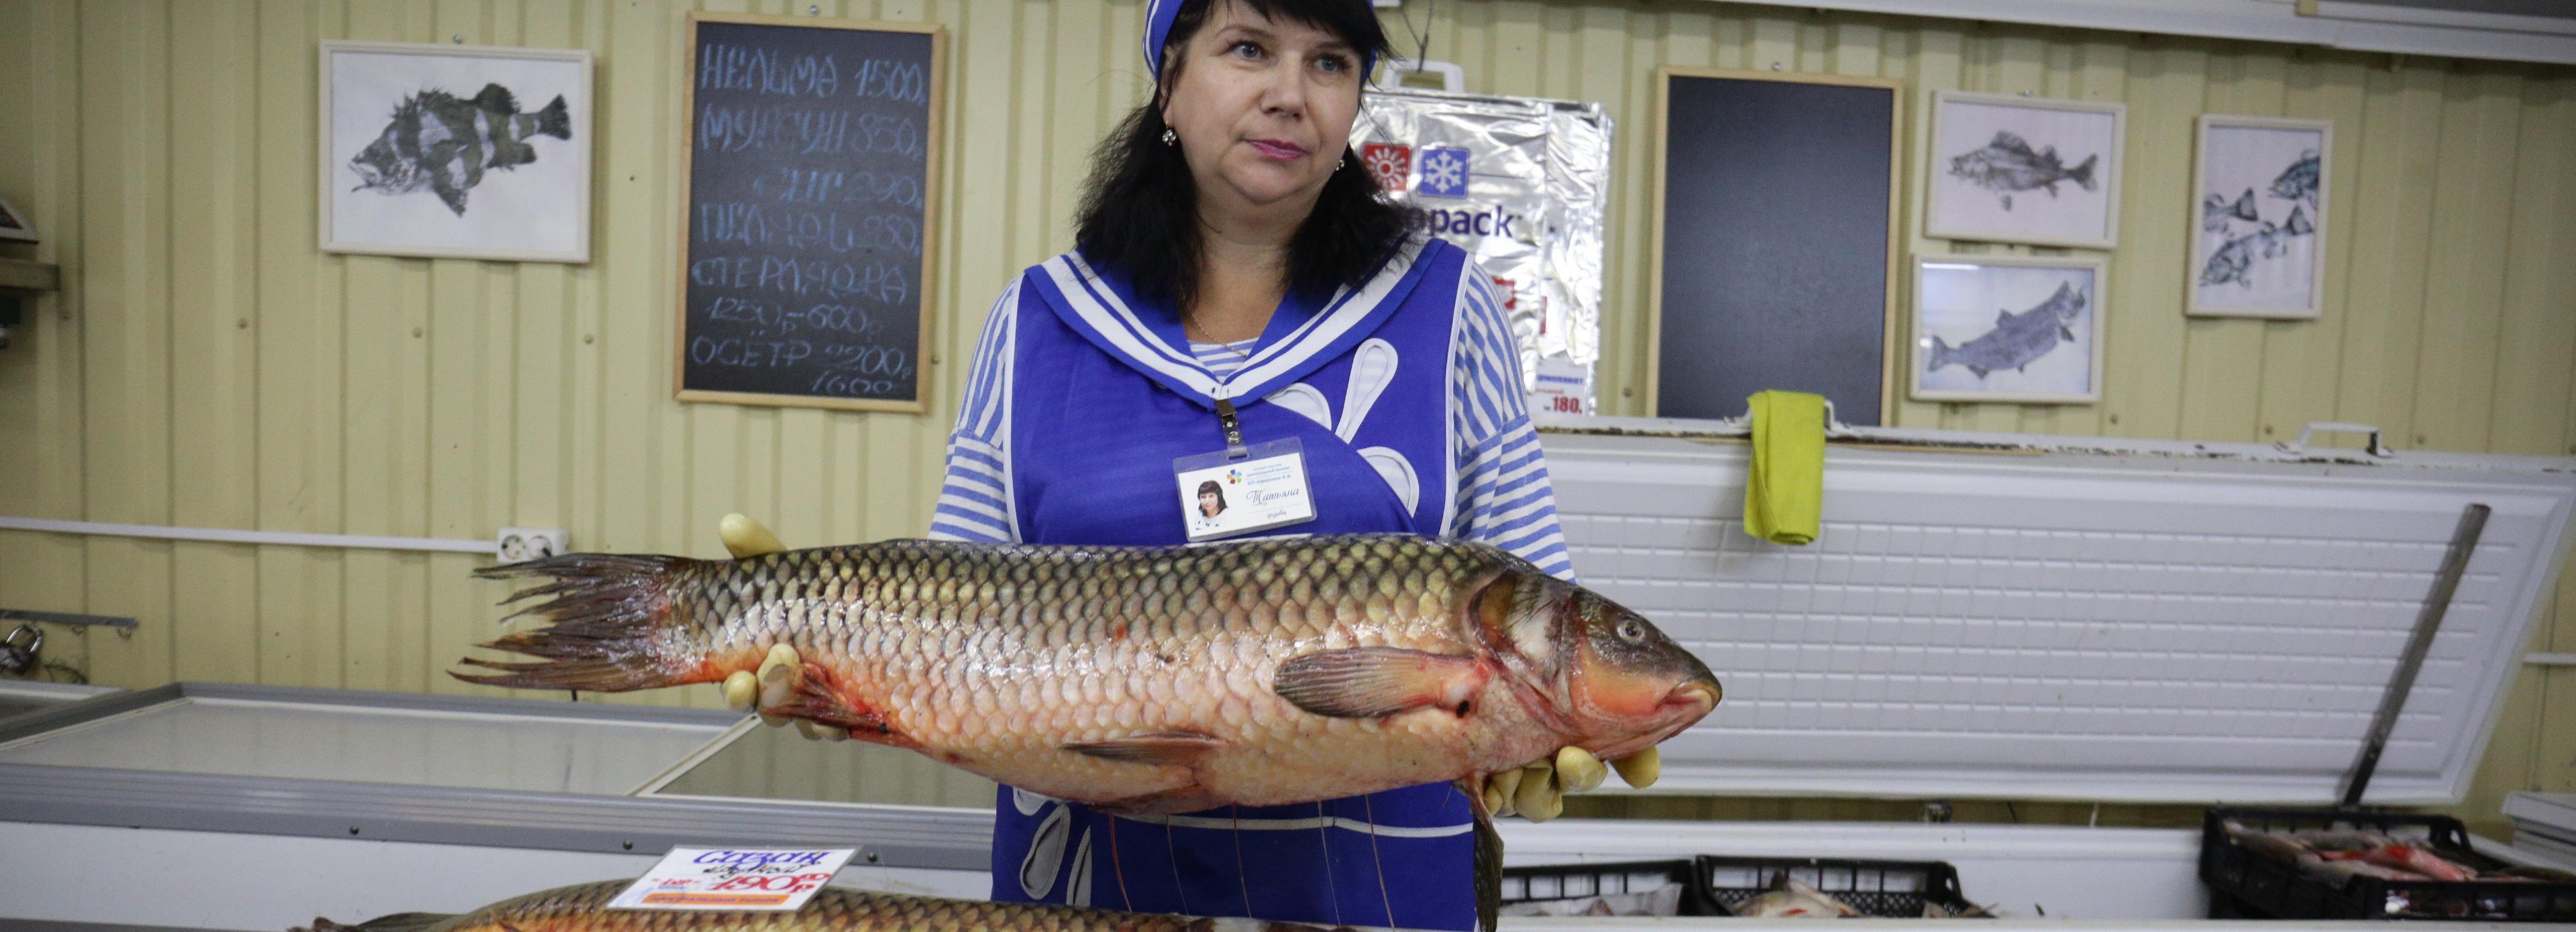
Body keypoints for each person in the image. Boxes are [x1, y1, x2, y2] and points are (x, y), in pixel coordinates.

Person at [714, 1, 1654, 927]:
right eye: (1249, 49)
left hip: (1372, 890)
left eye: (1330, 63)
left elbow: (1532, 599)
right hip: (1092, 880)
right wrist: (834, 656)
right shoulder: (1037, 323)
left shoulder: (1449, 311)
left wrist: (1545, 728)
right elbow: (959, 616)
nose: (1291, 95)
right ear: (1170, 81)